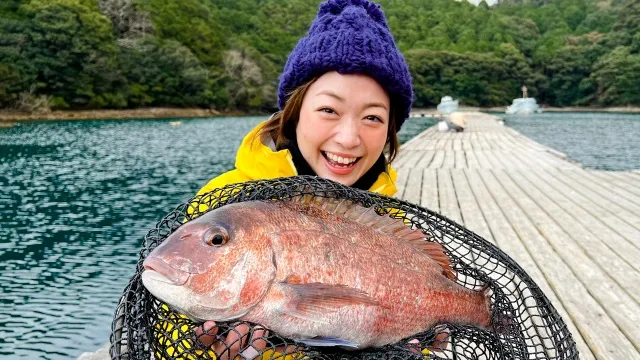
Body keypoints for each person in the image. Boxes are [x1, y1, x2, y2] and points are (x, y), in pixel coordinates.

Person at [164, 0, 414, 358]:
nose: (348, 138)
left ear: (390, 130)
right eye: (328, 110)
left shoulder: (392, 223)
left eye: (372, 118)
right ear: (294, 113)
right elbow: (168, 329)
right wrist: (199, 350)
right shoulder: (224, 200)